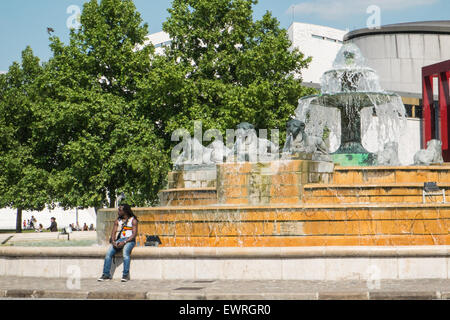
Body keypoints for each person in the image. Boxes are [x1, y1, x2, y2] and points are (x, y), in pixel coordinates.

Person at [98, 204, 138, 282]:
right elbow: (113, 232)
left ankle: (125, 275)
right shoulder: (117, 221)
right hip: (120, 240)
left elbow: (134, 235)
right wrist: (113, 241)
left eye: (120, 210)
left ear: (125, 211)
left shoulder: (133, 220)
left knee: (125, 253)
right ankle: (106, 274)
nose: (118, 211)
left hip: (129, 240)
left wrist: (125, 242)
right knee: (108, 254)